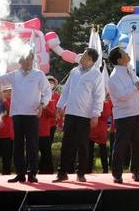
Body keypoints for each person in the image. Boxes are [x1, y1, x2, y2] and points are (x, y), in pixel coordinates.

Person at [0, 52, 51, 183]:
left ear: (33, 60)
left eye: (30, 59)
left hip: (32, 114)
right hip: (17, 114)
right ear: (20, 61)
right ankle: (20, 173)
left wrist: (42, 104)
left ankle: (32, 172)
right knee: (17, 145)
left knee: (32, 145)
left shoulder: (38, 74)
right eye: (25, 60)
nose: (27, 62)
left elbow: (47, 91)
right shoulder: (14, 75)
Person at [54, 47, 105, 182]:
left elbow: (99, 96)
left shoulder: (96, 75)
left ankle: (81, 173)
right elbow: (66, 91)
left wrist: (95, 114)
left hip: (85, 115)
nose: (80, 56)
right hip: (71, 112)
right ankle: (62, 173)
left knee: (83, 145)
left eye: (84, 55)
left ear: (90, 60)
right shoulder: (74, 71)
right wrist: (60, 106)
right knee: (67, 144)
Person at [107, 46, 139, 183]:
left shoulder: (129, 69)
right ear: (119, 60)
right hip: (123, 115)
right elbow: (121, 96)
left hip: (136, 112)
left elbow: (138, 85)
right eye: (124, 53)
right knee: (121, 145)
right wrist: (135, 87)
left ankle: (136, 171)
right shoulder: (114, 77)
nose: (127, 54)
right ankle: (117, 173)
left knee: (137, 144)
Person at [38, 76, 60, 174]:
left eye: (52, 82)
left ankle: (46, 169)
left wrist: (45, 107)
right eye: (48, 82)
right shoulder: (37, 96)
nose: (50, 84)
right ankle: (38, 168)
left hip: (49, 126)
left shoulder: (55, 97)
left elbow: (56, 112)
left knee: (46, 148)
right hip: (37, 127)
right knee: (37, 149)